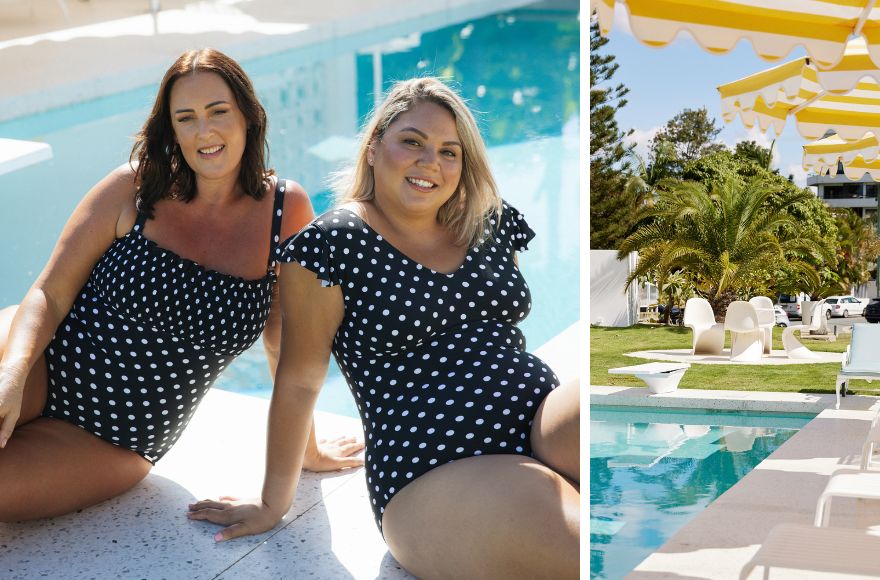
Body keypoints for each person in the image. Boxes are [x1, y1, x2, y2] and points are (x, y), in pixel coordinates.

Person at [189, 77, 580, 578]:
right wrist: (272, 503)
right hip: (435, 461)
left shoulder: (487, 222)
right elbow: (302, 378)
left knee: (608, 427)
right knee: (574, 537)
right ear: (374, 148)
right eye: (412, 142)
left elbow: (493, 334)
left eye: (448, 151)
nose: (429, 162)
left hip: (537, 414)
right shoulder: (332, 245)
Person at [0, 48, 363, 522]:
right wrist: (13, 372)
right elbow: (49, 292)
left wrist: (307, 450)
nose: (204, 131)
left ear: (248, 118)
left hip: (117, 434)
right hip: (41, 365)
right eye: (186, 117)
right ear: (170, 128)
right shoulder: (132, 188)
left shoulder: (284, 211)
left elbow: (286, 345)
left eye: (218, 112)